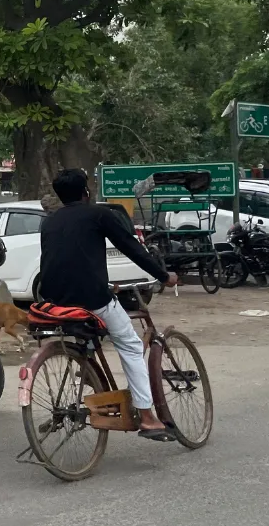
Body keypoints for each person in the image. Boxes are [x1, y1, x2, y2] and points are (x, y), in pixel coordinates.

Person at [39, 169, 179, 441]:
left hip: (52, 300)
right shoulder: (99, 214)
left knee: (93, 327)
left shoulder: (50, 221)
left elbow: (61, 260)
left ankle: (88, 365)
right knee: (130, 344)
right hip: (91, 298)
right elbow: (131, 248)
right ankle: (148, 418)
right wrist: (164, 276)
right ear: (86, 192)